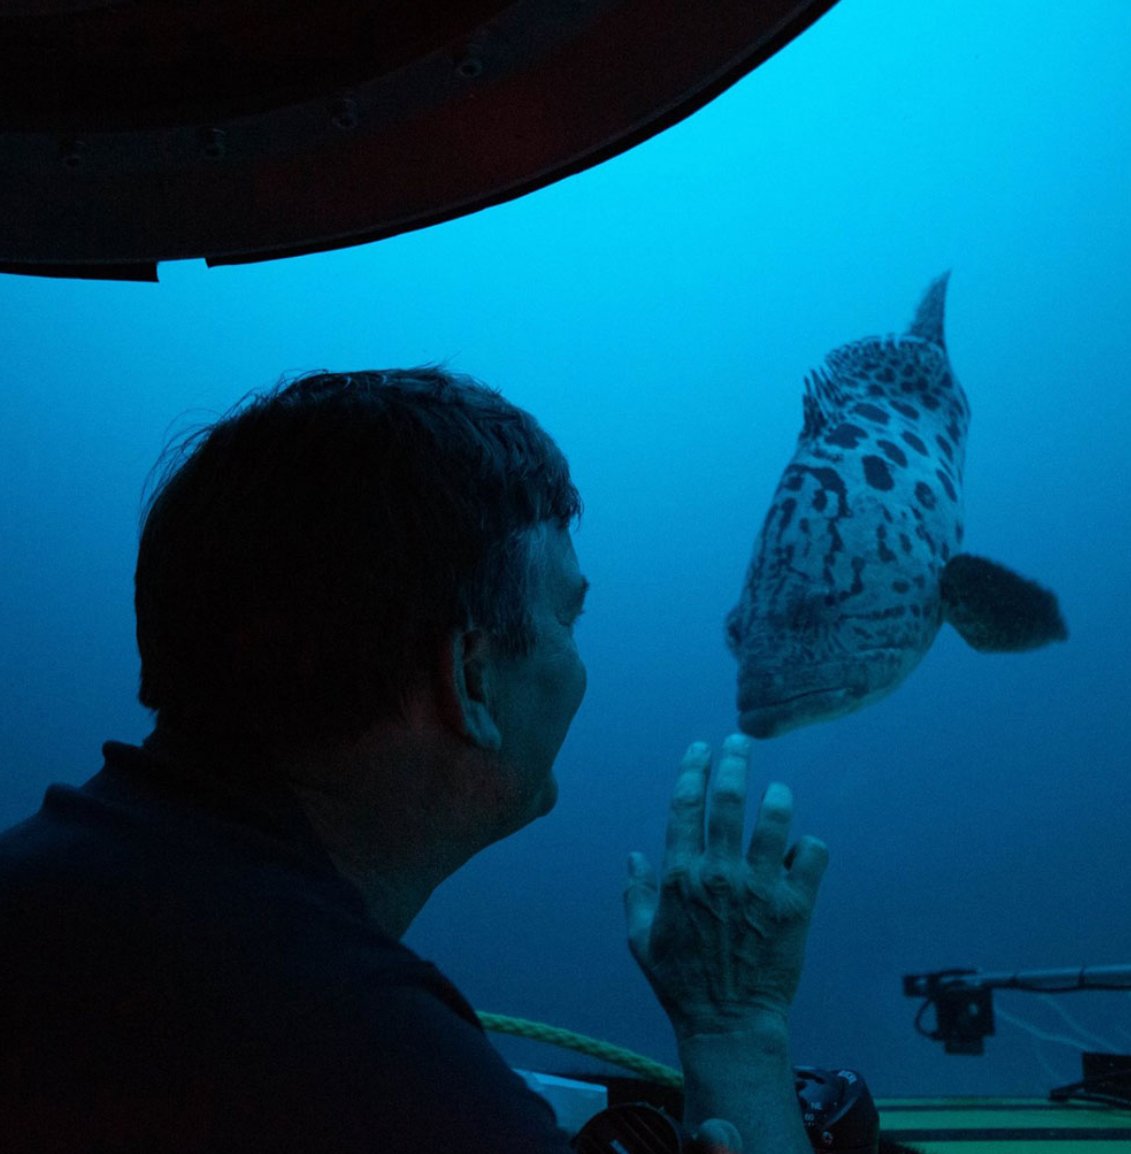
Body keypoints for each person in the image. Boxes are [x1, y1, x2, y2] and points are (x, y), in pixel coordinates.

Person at [0, 368, 828, 1152]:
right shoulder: (365, 1067)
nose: (580, 670)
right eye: (567, 620)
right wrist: (734, 1025)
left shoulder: (47, 894)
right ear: (471, 677)